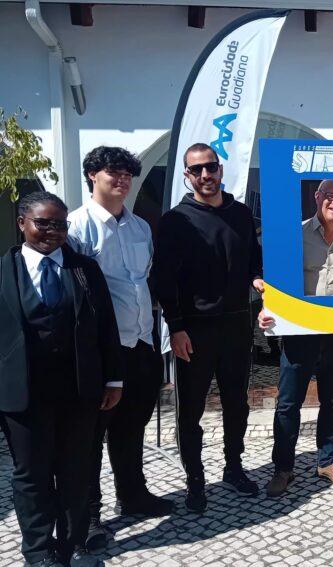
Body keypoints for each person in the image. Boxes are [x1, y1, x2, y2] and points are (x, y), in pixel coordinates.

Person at [0, 192, 122, 567]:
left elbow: (106, 326)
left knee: (75, 470)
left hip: (79, 391)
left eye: (60, 224)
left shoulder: (84, 269)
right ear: (22, 223)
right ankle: (38, 552)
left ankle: (74, 542)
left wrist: (114, 379)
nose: (53, 231)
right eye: (43, 223)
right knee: (31, 475)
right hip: (23, 395)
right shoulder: (4, 271)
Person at [68, 146, 173, 550]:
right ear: (92, 175)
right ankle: (89, 513)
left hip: (141, 344)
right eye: (114, 172)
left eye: (128, 174)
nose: (123, 180)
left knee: (132, 427)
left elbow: (143, 281)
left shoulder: (140, 227)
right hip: (100, 352)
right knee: (90, 437)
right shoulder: (76, 228)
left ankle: (132, 494)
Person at [151, 143, 263, 513]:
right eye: (196, 170)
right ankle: (195, 479)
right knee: (191, 410)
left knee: (237, 405)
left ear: (220, 169)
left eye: (210, 167)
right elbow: (163, 279)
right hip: (193, 330)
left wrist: (257, 279)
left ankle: (234, 467)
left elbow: (254, 261)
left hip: (236, 325)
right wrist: (176, 327)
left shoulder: (241, 214)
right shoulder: (176, 221)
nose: (205, 175)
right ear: (187, 175)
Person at [257, 179, 333, 496]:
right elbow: (274, 282)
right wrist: (267, 310)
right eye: (330, 196)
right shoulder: (293, 235)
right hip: (298, 333)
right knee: (288, 403)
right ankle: (283, 468)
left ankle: (327, 462)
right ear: (318, 197)